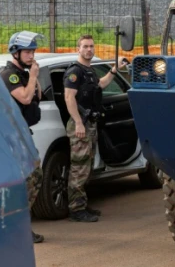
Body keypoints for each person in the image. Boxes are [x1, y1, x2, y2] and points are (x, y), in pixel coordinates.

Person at [63, 34, 128, 223]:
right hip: (80, 124)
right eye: (85, 46)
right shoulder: (75, 72)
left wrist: (114, 70)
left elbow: (101, 84)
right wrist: (78, 122)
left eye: (91, 46)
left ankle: (81, 204)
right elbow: (69, 98)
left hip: (89, 123)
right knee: (79, 168)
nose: (89, 49)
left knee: (88, 167)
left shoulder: (89, 71)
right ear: (78, 49)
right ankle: (76, 209)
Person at [0, 30, 46, 243]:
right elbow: (26, 99)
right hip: (13, 134)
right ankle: (16, 228)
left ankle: (18, 226)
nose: (32, 55)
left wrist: (34, 76)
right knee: (30, 177)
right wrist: (33, 76)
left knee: (33, 177)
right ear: (16, 52)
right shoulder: (10, 75)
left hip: (24, 132)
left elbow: (37, 95)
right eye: (27, 51)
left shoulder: (25, 74)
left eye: (33, 51)